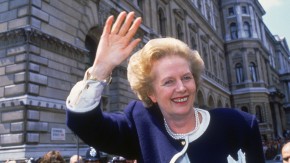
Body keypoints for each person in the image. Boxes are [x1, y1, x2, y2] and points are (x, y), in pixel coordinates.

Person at [66, 11, 265, 162]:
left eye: (186, 77)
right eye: (169, 81)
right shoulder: (141, 124)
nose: (181, 88)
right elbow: (85, 124)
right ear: (151, 93)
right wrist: (100, 69)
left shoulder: (240, 125)